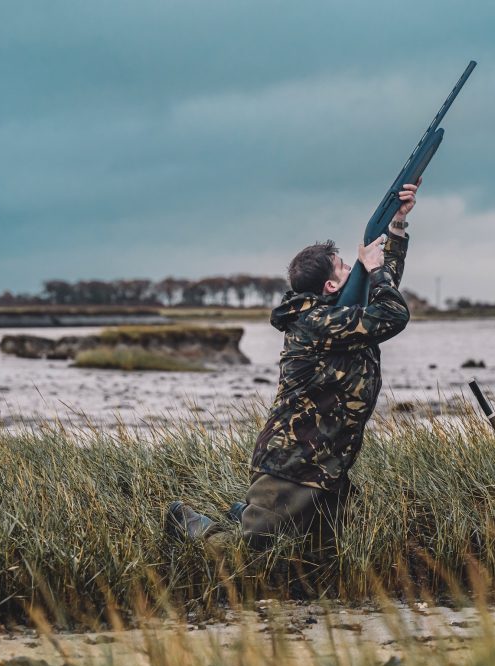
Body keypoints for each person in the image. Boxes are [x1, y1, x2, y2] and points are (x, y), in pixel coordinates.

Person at [166, 182, 420, 552]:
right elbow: (392, 313)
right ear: (332, 285)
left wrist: (396, 227)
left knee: (320, 560)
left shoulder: (340, 316)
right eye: (346, 266)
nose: (356, 268)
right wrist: (376, 268)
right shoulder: (313, 322)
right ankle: (189, 524)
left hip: (328, 467)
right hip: (292, 465)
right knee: (250, 559)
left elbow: (384, 292)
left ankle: (247, 514)